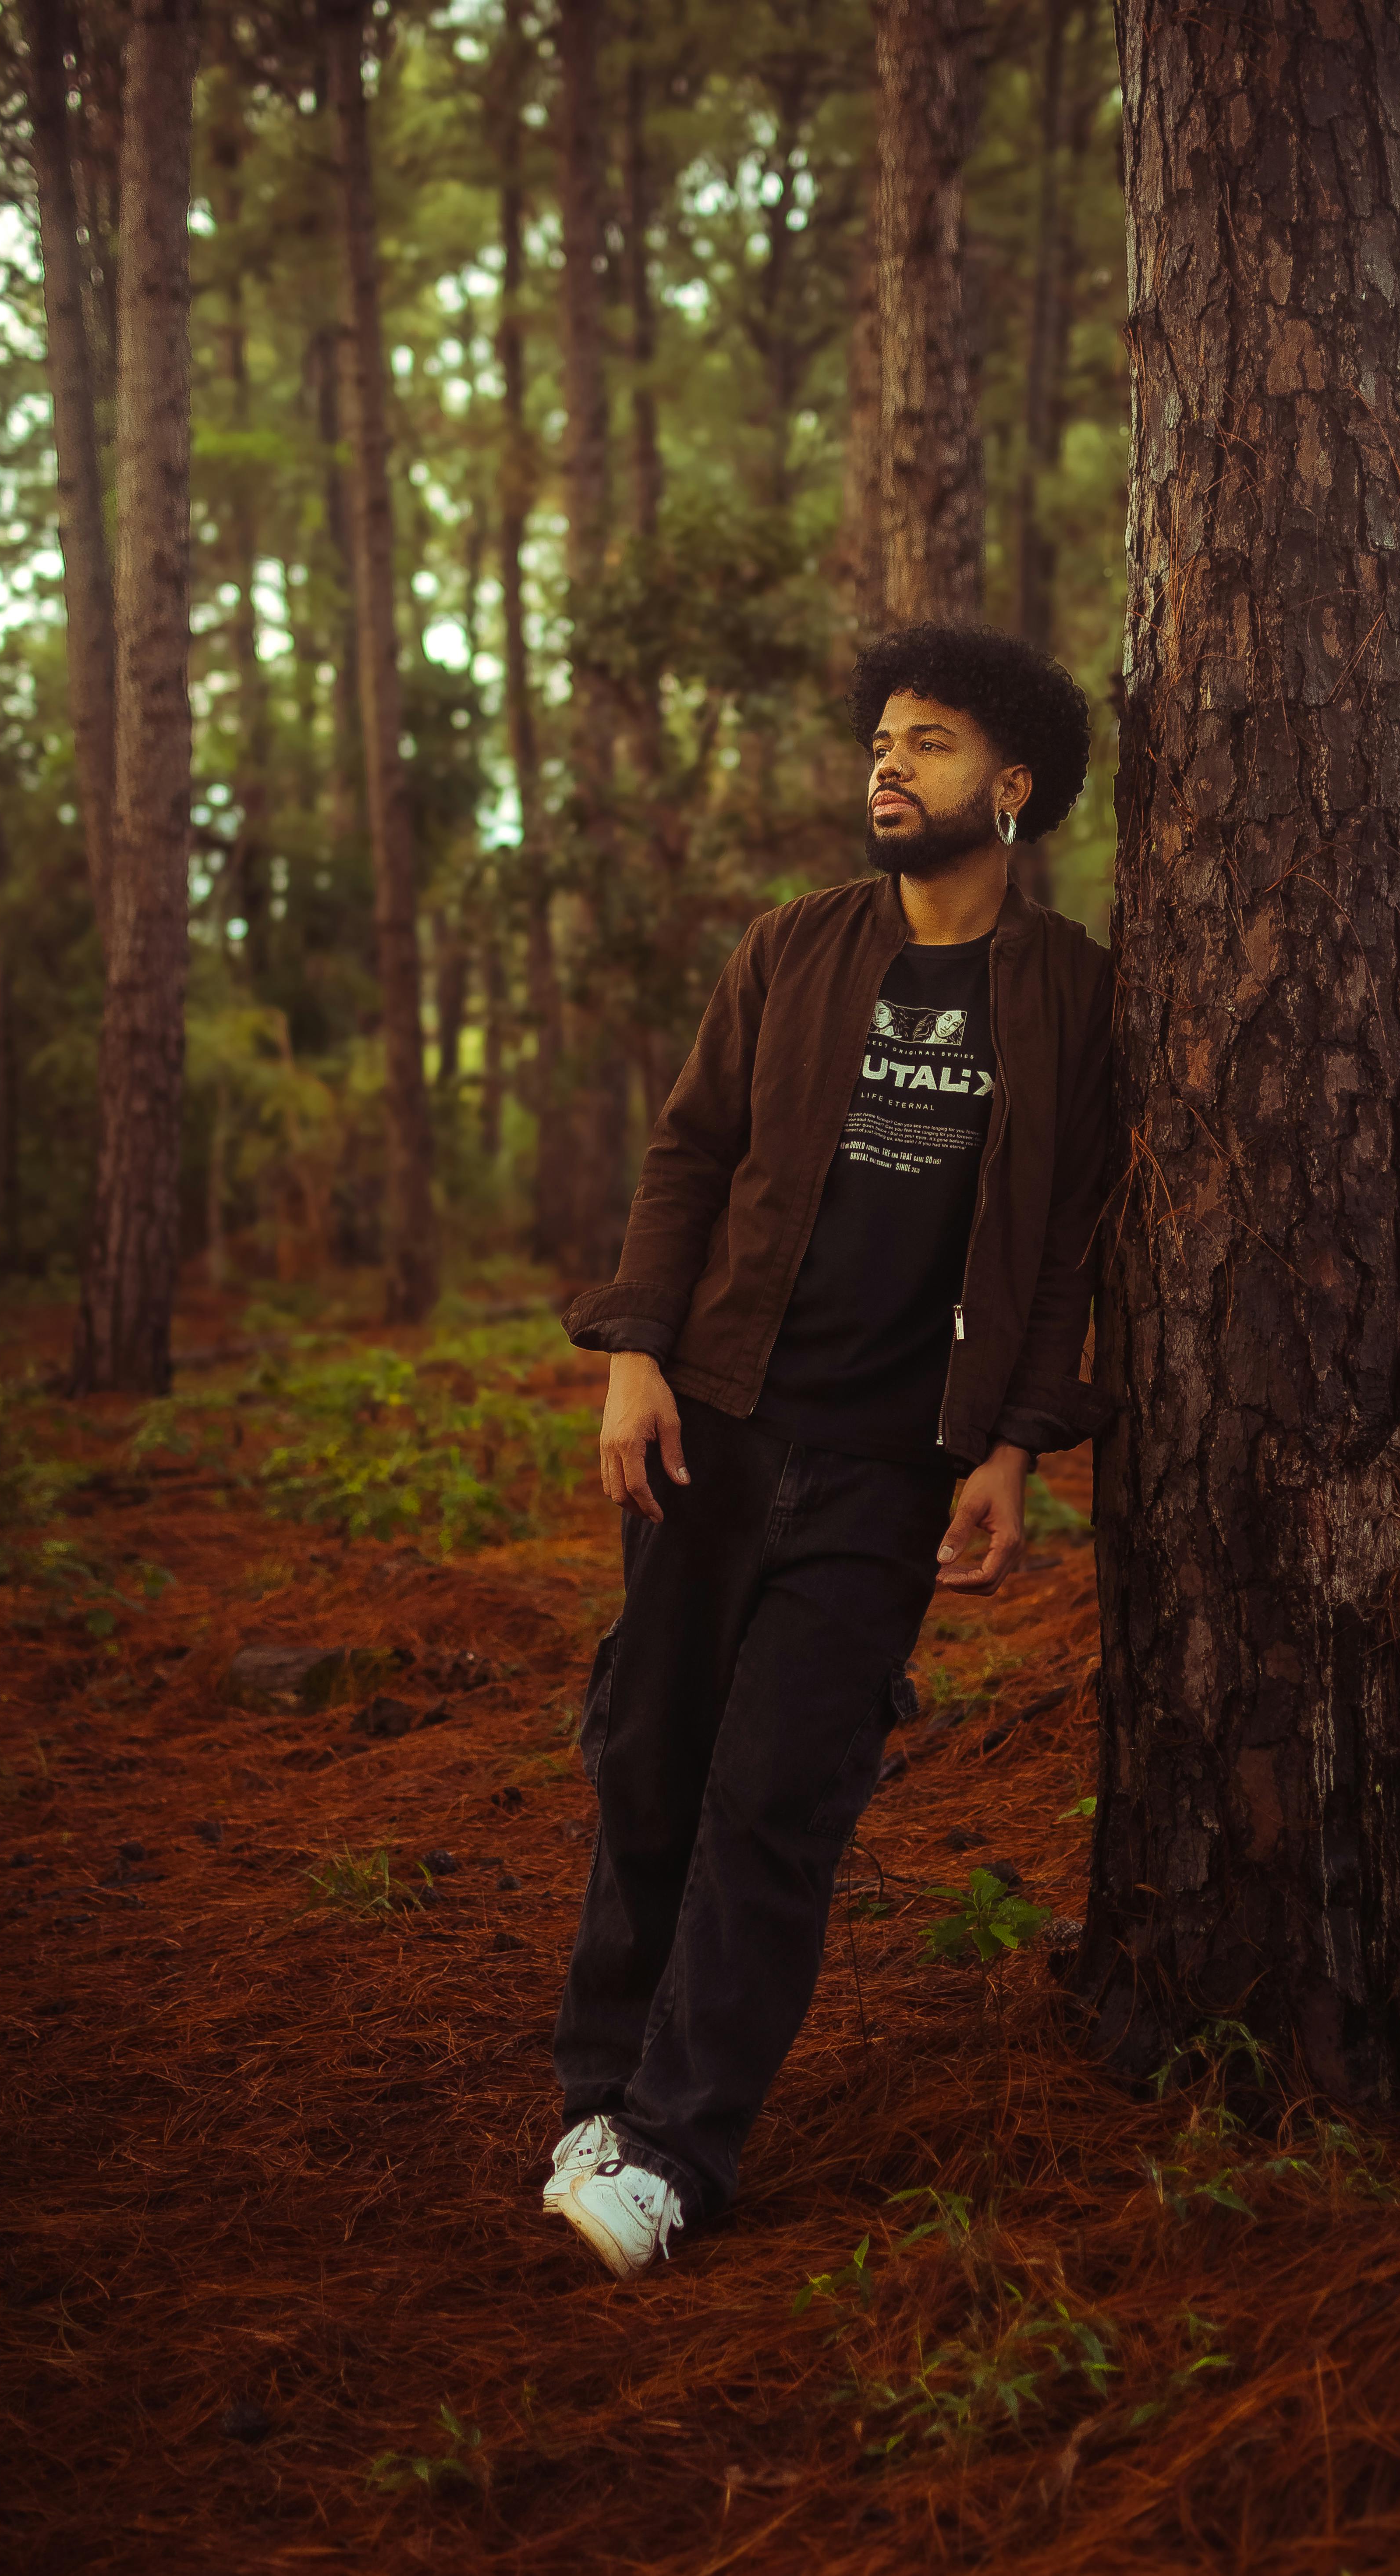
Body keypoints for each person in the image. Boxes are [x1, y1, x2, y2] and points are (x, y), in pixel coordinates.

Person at [542, 622, 1111, 2280]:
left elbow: (1065, 1241)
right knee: (649, 1763)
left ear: (1012, 786)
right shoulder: (792, 949)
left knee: (780, 1802)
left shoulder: (1071, 993)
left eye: (930, 743)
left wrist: (1012, 1447)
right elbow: (687, 1156)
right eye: (883, 740)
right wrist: (635, 1359)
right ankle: (600, 2097)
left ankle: (676, 2154)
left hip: (891, 1467)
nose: (889, 766)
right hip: (714, 1427)